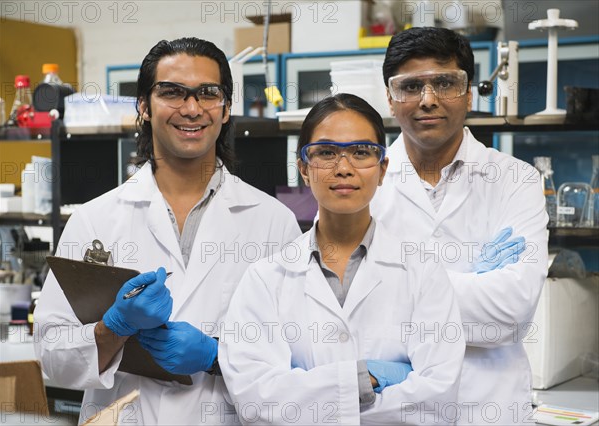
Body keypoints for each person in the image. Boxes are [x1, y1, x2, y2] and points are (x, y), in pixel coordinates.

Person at [34, 37, 300, 425]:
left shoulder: (274, 223)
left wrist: (216, 357)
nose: (191, 109)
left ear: (225, 108)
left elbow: (300, 356)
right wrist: (113, 328)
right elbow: (50, 354)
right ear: (144, 105)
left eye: (208, 93)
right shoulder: (95, 220)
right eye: (172, 92)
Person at [219, 93, 465, 424]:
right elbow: (257, 401)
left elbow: (435, 401)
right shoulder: (266, 277)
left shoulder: (422, 270)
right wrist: (362, 380)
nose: (344, 168)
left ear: (382, 169)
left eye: (362, 152)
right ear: (304, 169)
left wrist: (307, 390)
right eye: (326, 153)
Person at [370, 27, 549, 425]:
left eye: (445, 83)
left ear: (468, 93)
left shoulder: (515, 180)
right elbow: (339, 303)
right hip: (394, 408)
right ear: (390, 97)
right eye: (411, 85)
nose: (428, 100)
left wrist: (390, 287)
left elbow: (510, 313)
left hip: (488, 407)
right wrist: (470, 284)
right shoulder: (359, 180)